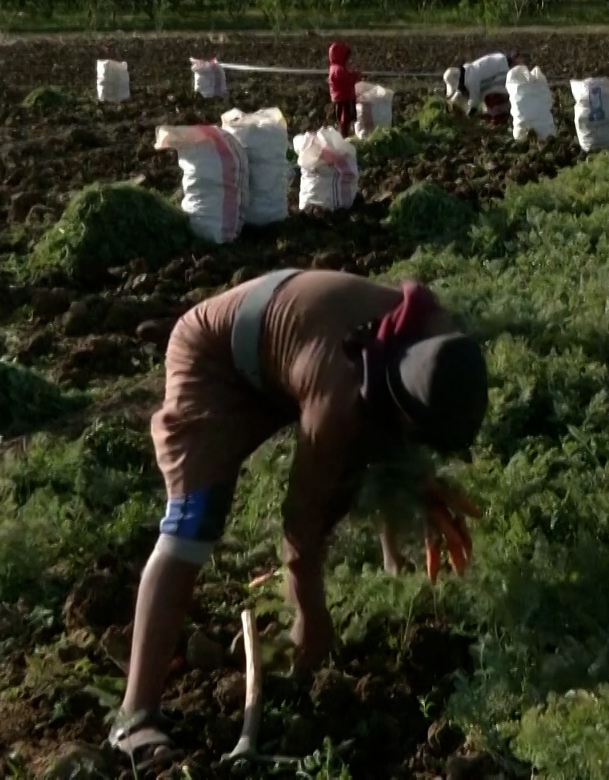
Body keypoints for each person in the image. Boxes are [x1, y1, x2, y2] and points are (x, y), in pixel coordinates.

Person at [109, 269, 489, 768]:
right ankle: (135, 717)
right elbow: (301, 518)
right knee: (192, 524)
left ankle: (334, 610)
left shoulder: (436, 336)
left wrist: (415, 484)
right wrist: (310, 613)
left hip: (290, 344)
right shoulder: (338, 396)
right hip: (214, 354)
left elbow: (386, 444)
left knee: (361, 453)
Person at [327, 41, 359, 133]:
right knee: (345, 118)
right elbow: (346, 80)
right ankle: (344, 134)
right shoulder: (338, 69)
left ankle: (344, 132)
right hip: (343, 97)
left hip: (340, 97)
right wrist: (355, 76)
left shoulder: (335, 67)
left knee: (344, 117)